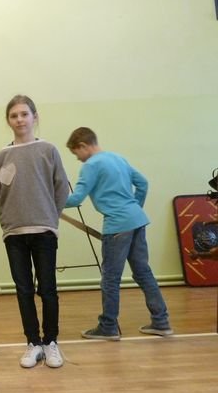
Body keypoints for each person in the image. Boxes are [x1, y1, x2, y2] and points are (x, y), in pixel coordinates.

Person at [65, 127, 173, 340]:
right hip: (137, 220)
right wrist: (133, 209)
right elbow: (143, 184)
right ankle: (161, 323)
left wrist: (48, 201)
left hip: (116, 225)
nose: (77, 158)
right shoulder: (118, 158)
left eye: (76, 153)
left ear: (83, 146)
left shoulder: (91, 165)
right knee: (143, 273)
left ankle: (108, 327)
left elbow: (76, 199)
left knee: (110, 279)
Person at [0, 95, 69, 369]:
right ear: (8, 121)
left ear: (34, 117)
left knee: (47, 288)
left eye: (24, 114)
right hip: (14, 233)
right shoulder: (2, 155)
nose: (19, 119)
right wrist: (9, 220)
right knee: (23, 289)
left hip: (44, 231)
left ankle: (51, 342)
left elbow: (61, 188)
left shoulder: (48, 150)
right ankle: (33, 343)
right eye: (14, 115)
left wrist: (50, 217)